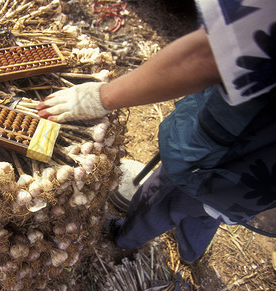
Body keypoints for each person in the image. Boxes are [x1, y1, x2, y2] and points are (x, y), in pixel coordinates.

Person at [37, 0, 276, 264]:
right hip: (260, 178)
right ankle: (191, 251)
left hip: (228, 154)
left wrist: (102, 97)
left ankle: (125, 237)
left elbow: (207, 55)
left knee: (163, 198)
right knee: (214, 211)